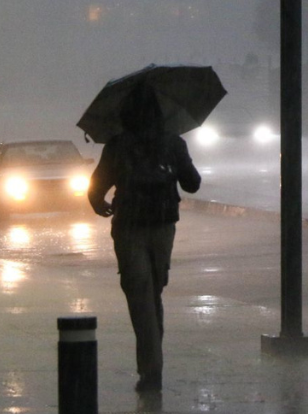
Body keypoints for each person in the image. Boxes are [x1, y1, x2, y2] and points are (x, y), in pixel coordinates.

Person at [87, 86, 202, 392]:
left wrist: (101, 204)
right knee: (153, 293)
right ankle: (153, 364)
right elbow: (193, 184)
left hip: (129, 226)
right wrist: (175, 162)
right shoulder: (174, 143)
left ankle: (151, 369)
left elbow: (96, 189)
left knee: (140, 295)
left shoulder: (117, 145)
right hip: (163, 225)